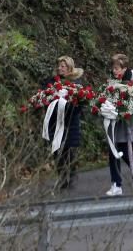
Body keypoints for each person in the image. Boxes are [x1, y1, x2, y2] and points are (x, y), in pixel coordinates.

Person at [105, 54, 133, 196]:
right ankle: (116, 184)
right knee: (113, 151)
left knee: (123, 149)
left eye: (117, 68)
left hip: (127, 122)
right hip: (113, 122)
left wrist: (127, 111)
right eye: (113, 68)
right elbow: (106, 96)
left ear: (125, 68)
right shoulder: (112, 81)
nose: (114, 71)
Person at [44, 56, 84, 189]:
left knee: (68, 152)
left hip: (70, 122)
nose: (60, 68)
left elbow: (80, 104)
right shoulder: (51, 82)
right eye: (59, 66)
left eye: (63, 66)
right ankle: (62, 177)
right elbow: (46, 97)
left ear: (69, 68)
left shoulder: (76, 83)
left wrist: (69, 109)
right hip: (55, 123)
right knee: (57, 152)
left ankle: (70, 176)